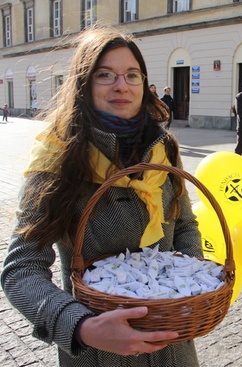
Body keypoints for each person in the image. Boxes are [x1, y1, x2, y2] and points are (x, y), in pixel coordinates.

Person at [1, 27, 202, 367]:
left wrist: (188, 294)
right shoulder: (57, 156)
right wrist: (80, 327)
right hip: (99, 352)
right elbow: (21, 269)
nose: (121, 85)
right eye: (104, 74)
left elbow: (184, 224)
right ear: (83, 83)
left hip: (172, 347)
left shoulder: (162, 149)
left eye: (132, 75)